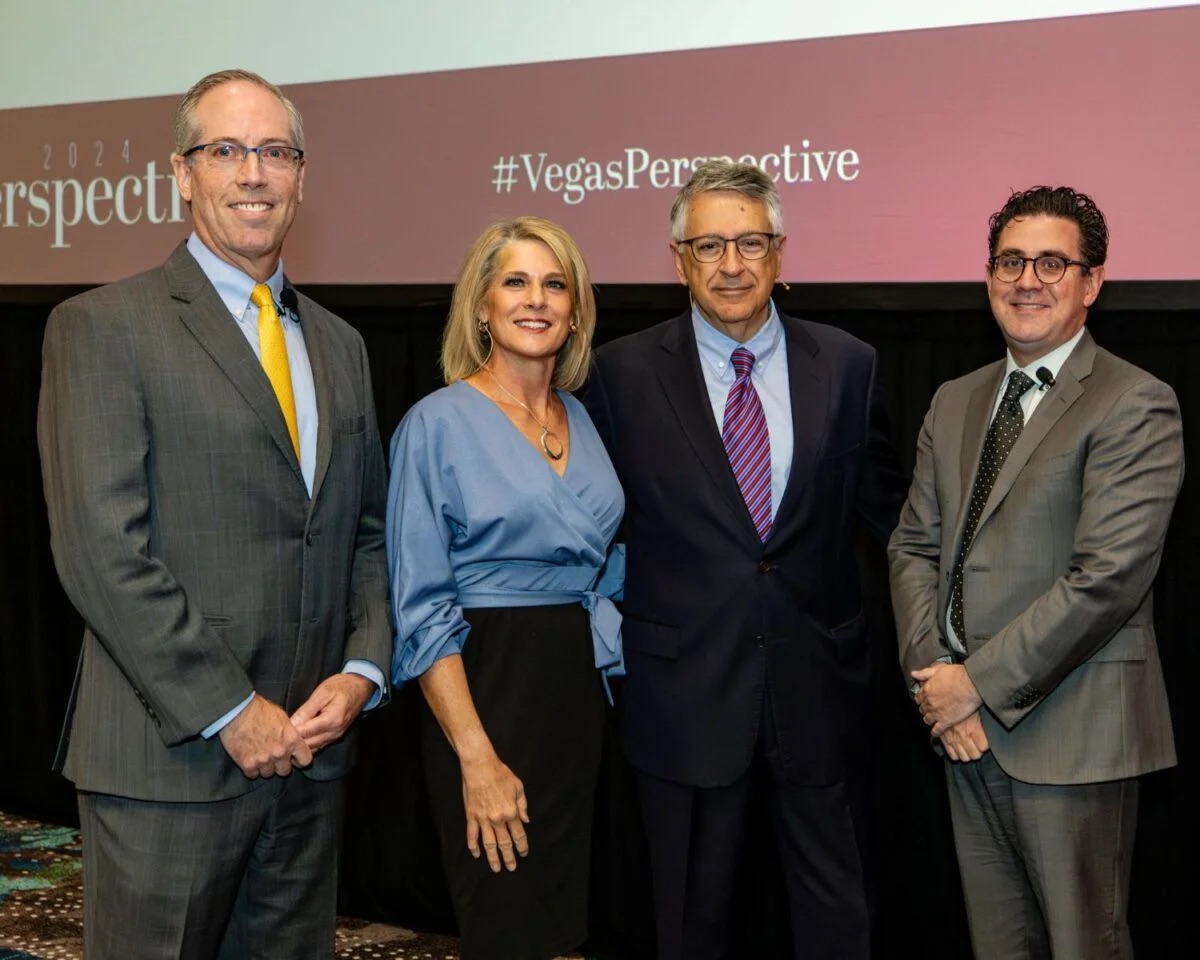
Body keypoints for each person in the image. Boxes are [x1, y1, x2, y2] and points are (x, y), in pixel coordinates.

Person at [37, 69, 391, 959]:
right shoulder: (103, 328)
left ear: (303, 177)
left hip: (310, 764)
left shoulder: (342, 348)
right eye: (226, 150)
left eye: (275, 152)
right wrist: (232, 709)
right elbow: (101, 553)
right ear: (181, 174)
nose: (254, 174)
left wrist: (360, 669)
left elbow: (366, 532)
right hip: (172, 765)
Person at [582, 159, 906, 960]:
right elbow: (588, 525)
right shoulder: (617, 374)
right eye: (710, 246)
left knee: (841, 921)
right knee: (691, 926)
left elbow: (898, 522)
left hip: (821, 692)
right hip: (681, 695)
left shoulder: (850, 365)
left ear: (781, 251)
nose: (731, 265)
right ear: (678, 259)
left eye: (750, 243)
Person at [888, 185, 1182, 960]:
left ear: (1092, 283)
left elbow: (1107, 578)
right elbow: (913, 547)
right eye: (1011, 261)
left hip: (1072, 734)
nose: (1028, 280)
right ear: (988, 276)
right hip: (961, 731)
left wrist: (975, 682)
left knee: (1084, 946)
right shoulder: (955, 401)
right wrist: (938, 683)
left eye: (1053, 262)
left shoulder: (1134, 403)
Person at [386, 216, 624, 960]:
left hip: (581, 701)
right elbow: (420, 608)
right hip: (488, 691)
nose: (537, 300)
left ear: (576, 309)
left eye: (555, 284)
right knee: (507, 928)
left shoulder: (582, 418)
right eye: (515, 281)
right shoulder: (436, 424)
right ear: (481, 305)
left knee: (567, 929)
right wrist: (477, 757)